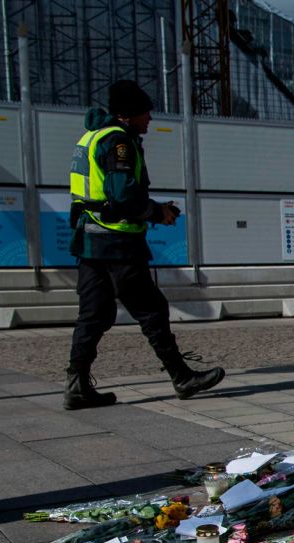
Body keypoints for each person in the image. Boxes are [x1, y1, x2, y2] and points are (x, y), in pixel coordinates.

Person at [65, 79, 224, 410]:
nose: (150, 117)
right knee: (152, 311)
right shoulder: (118, 141)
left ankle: (76, 384)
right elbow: (121, 195)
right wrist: (157, 212)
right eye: (145, 111)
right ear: (128, 114)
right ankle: (182, 377)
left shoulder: (90, 136)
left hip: (89, 241)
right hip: (118, 243)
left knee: (93, 315)